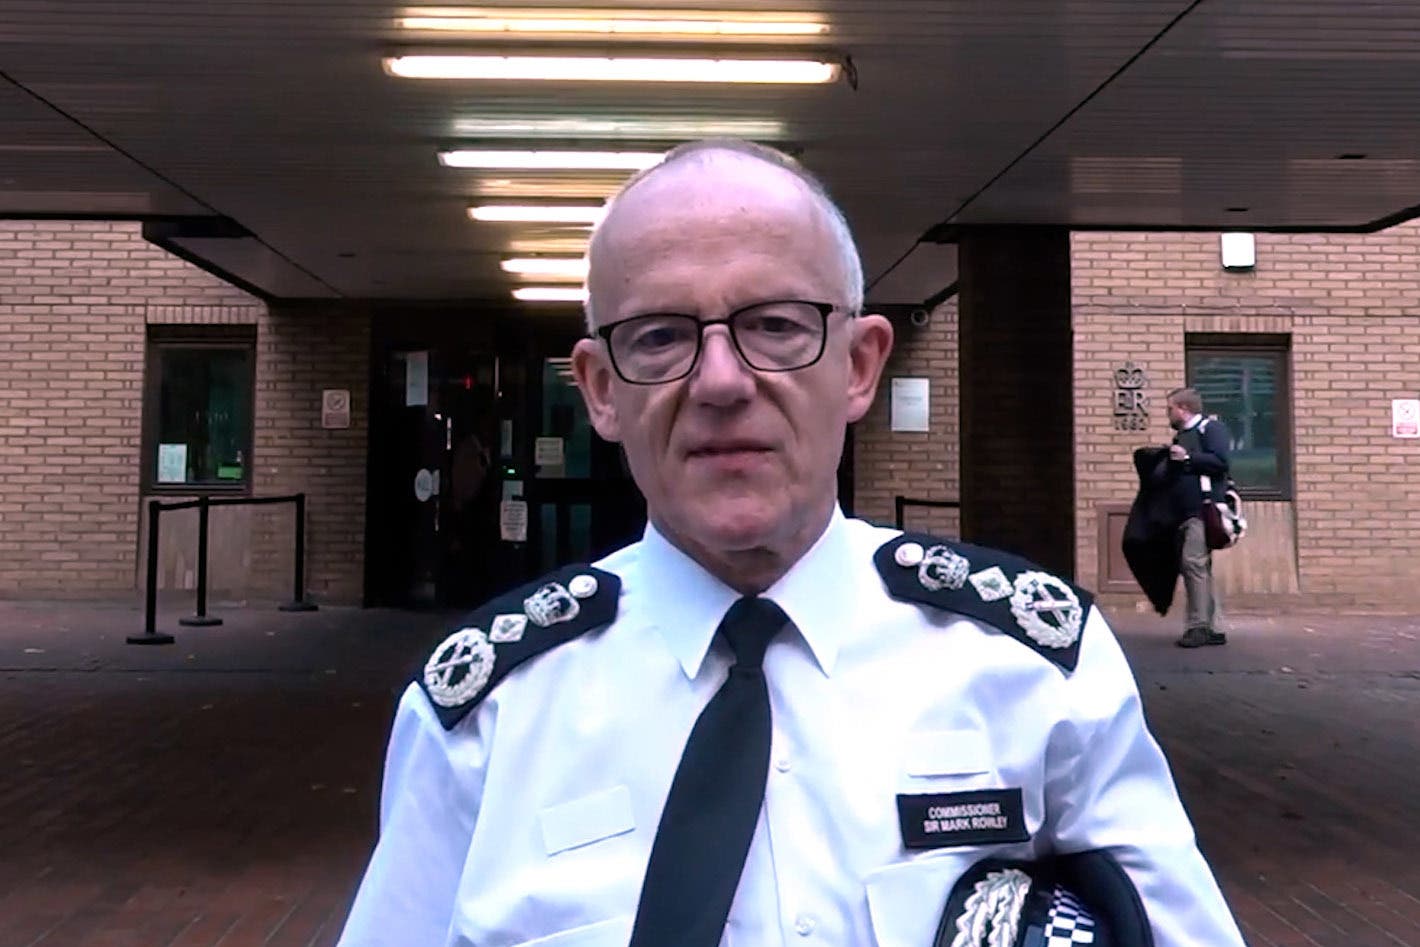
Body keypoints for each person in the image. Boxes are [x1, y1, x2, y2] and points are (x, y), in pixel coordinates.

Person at [337, 141, 1245, 947]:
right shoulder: (486, 715)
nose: (723, 381)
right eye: (660, 336)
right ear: (600, 390)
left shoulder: (1033, 666)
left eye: (776, 324)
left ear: (858, 364)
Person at [1162, 387, 1233, 648]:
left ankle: (1199, 626)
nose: (1168, 413)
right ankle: (1210, 626)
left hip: (1201, 510)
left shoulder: (1209, 429)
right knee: (1197, 566)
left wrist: (1188, 457)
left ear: (1183, 408)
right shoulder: (1182, 435)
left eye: (1170, 408)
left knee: (1193, 564)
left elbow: (1221, 462)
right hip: (1184, 511)